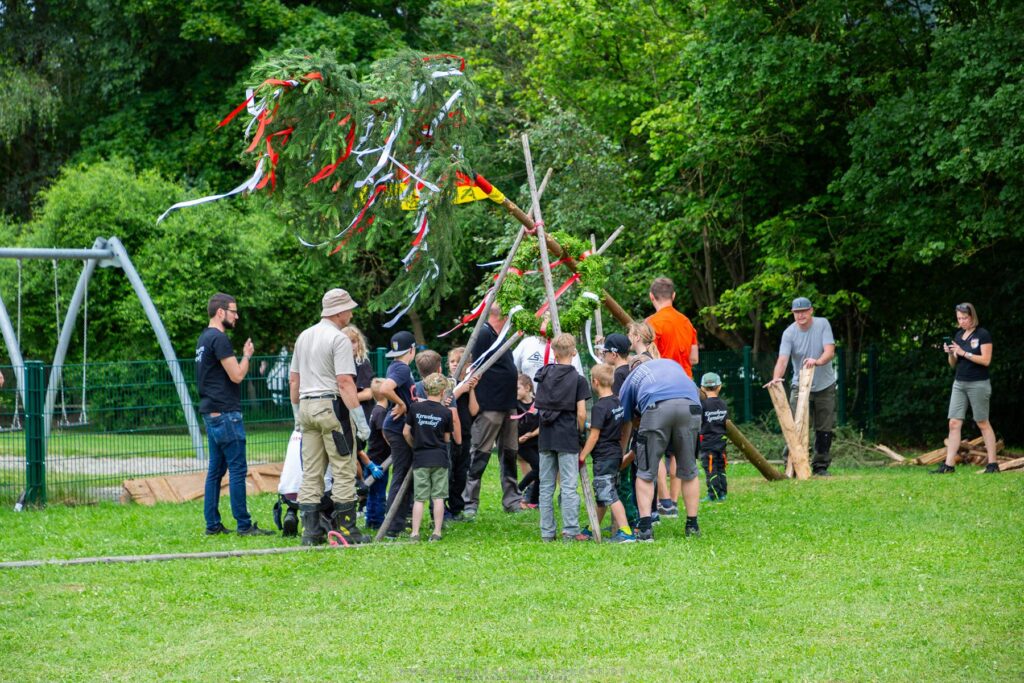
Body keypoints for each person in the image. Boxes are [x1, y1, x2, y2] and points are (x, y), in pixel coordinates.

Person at [288, 288, 371, 545]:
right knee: (344, 468)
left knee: (311, 472)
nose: (351, 314)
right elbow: (345, 382)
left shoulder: (304, 336)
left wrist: (297, 414)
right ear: (339, 312)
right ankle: (347, 530)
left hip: (306, 408)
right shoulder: (339, 339)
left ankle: (311, 532)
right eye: (349, 309)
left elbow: (294, 380)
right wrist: (361, 422)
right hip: (331, 408)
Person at [196, 293, 272, 537]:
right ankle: (244, 525)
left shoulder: (203, 339)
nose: (236, 316)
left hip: (211, 412)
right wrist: (247, 355)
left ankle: (212, 524)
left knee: (215, 471)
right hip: (226, 414)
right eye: (233, 311)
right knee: (238, 469)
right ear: (221, 312)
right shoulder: (219, 339)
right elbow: (237, 375)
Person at [619, 356, 703, 541]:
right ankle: (692, 525)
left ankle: (645, 528)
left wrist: (621, 454)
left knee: (645, 472)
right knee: (689, 471)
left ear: (632, 367)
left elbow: (625, 421)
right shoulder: (671, 364)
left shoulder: (633, 376)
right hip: (691, 406)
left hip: (656, 407)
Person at [462, 303, 523, 517]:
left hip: (508, 404)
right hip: (490, 405)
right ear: (503, 316)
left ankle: (512, 500)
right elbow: (475, 366)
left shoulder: (501, 336)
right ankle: (469, 501)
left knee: (510, 453)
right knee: (480, 453)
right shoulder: (483, 334)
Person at [766, 296, 837, 476]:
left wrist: (817, 361)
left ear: (811, 310)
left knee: (824, 427)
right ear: (793, 314)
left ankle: (820, 466)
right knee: (795, 425)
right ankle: (792, 465)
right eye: (797, 312)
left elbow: (829, 351)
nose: (800, 315)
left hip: (825, 385)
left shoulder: (822, 324)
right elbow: (783, 360)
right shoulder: (789, 333)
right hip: (800, 386)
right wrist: (776, 379)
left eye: (804, 311)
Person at [534, 332, 591, 542]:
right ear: (574, 352)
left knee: (546, 486)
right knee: (568, 486)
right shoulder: (578, 380)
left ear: (554, 353)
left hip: (546, 436)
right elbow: (582, 413)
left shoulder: (543, 375)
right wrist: (580, 431)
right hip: (567, 436)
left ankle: (547, 532)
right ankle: (570, 530)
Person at [933, 303, 999, 474]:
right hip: (959, 383)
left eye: (964, 318)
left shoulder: (982, 334)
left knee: (982, 422)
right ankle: (949, 465)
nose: (961, 321)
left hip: (978, 383)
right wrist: (951, 353)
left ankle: (992, 464)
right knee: (954, 423)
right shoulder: (959, 335)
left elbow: (986, 360)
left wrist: (963, 352)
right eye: (959, 318)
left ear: (972, 317)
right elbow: (953, 364)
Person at [579, 363, 634, 543]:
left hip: (604, 456)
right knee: (603, 495)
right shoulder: (617, 402)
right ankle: (592, 528)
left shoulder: (599, 407)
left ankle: (625, 532)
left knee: (608, 494)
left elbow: (595, 436)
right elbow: (607, 426)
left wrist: (582, 455)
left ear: (595, 382)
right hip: (615, 453)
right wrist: (590, 425)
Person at [404, 373, 456, 541]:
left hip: (421, 458)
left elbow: (406, 432)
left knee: (419, 498)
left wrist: (415, 445)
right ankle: (437, 532)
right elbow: (447, 439)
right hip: (440, 459)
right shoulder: (446, 412)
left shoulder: (415, 408)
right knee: (438, 497)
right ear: (442, 392)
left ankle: (415, 533)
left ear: (425, 390)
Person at [378, 330, 417, 539]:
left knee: (403, 474)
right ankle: (392, 524)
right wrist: (401, 404)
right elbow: (385, 388)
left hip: (395, 427)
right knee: (400, 475)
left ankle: (400, 519)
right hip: (397, 427)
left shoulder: (395, 366)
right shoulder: (402, 368)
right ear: (412, 349)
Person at [445, 346, 477, 520]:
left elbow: (474, 410)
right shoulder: (446, 383)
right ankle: (445, 508)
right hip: (449, 435)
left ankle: (457, 508)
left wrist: (471, 390)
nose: (455, 364)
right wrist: (460, 389)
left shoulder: (467, 385)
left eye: (459, 362)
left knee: (461, 472)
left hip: (465, 433)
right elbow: (445, 402)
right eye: (452, 361)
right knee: (449, 472)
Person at [645, 277, 699, 378]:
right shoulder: (686, 322)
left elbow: (648, 358)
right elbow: (694, 359)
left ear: (651, 296)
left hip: (663, 381)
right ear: (673, 295)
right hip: (686, 381)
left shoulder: (651, 323)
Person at [364, 378, 392, 528]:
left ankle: (371, 519)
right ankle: (377, 521)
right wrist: (394, 445)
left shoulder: (375, 410)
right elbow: (384, 433)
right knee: (379, 492)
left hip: (373, 457)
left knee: (373, 492)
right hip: (379, 460)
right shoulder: (381, 412)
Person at [513, 332, 584, 391]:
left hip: (559, 401)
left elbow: (577, 383)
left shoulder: (568, 347)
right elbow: (512, 371)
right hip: (528, 401)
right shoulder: (527, 343)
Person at [699, 372, 729, 502]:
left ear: (702, 388)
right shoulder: (723, 404)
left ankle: (714, 494)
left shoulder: (703, 405)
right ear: (719, 387)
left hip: (708, 444)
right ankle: (723, 493)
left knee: (711, 469)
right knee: (721, 467)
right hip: (721, 442)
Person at [515, 373, 540, 509]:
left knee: (541, 471)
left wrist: (531, 435)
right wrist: (517, 439)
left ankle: (534, 501)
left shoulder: (538, 403)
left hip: (535, 442)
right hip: (521, 444)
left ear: (527, 388)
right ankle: (518, 490)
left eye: (517, 388)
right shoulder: (514, 405)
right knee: (539, 467)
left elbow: (543, 424)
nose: (515, 392)